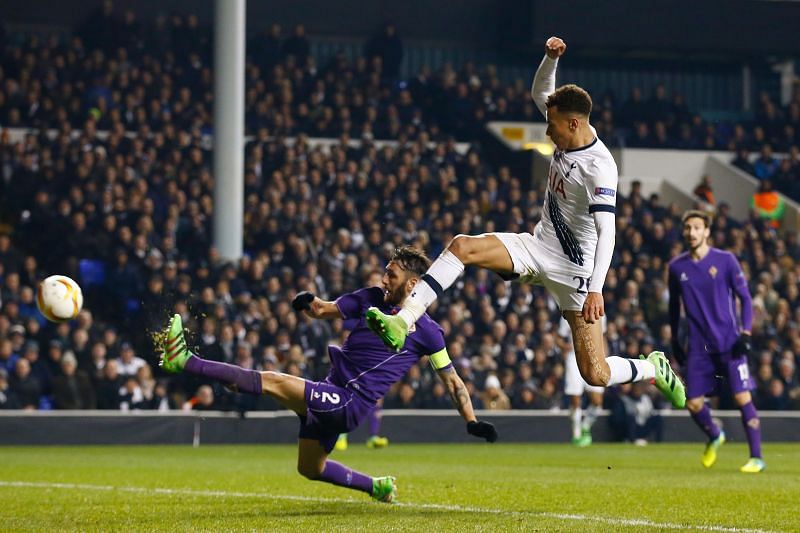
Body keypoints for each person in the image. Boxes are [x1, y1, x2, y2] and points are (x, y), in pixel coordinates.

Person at [366, 36, 686, 411]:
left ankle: (650, 368)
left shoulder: (599, 168)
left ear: (572, 122)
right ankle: (403, 321)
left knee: (595, 374)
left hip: (575, 272)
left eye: (552, 125)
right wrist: (550, 59)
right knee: (461, 246)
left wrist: (596, 288)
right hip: (536, 247)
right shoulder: (565, 132)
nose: (547, 133)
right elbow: (541, 91)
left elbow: (608, 232)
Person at [158, 246, 497, 503]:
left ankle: (184, 360)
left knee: (273, 380)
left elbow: (452, 380)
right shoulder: (371, 297)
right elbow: (324, 309)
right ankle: (376, 486)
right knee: (310, 469)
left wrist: (471, 420)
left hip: (349, 404)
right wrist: (307, 302)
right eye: (384, 271)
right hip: (331, 390)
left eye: (390, 275)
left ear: (412, 284)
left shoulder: (428, 332)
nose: (383, 278)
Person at [668, 210, 765, 473]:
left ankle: (756, 457)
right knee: (693, 403)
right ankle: (714, 434)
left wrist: (746, 332)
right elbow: (673, 309)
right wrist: (676, 340)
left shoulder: (726, 261)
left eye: (697, 227)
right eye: (688, 228)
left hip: (729, 343)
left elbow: (745, 298)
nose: (691, 232)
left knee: (742, 396)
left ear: (707, 231)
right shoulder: (677, 267)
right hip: (698, 347)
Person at [559, 317, 603, 447]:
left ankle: (585, 425)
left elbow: (602, 336)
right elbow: (558, 338)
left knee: (597, 401)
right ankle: (576, 434)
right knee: (575, 398)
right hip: (574, 356)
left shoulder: (600, 312)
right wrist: (564, 347)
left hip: (594, 356)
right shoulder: (568, 313)